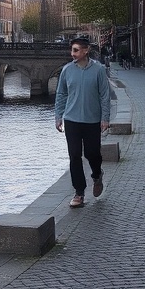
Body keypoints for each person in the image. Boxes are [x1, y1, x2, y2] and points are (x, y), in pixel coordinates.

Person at [54, 36, 111, 208]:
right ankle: (79, 192)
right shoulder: (66, 70)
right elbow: (61, 94)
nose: (72, 54)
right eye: (72, 50)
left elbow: (104, 95)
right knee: (74, 155)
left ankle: (96, 175)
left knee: (92, 153)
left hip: (92, 119)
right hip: (72, 119)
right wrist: (58, 116)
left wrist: (105, 118)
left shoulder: (99, 70)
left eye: (76, 50)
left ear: (86, 51)